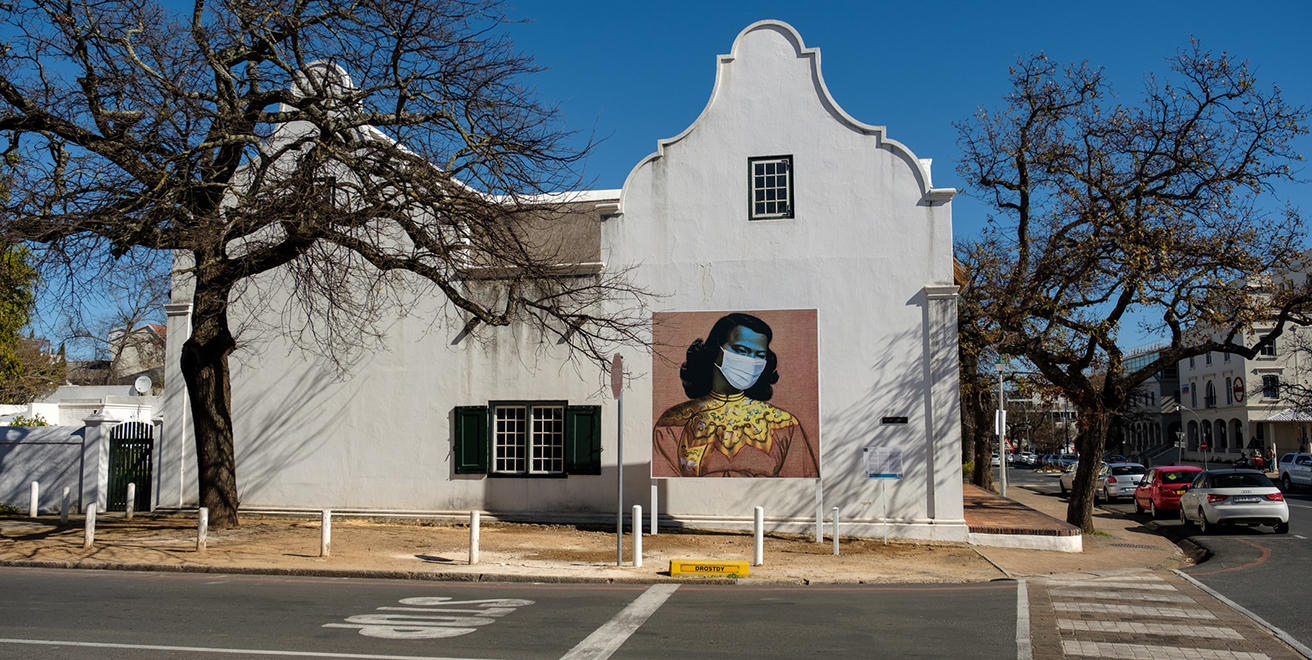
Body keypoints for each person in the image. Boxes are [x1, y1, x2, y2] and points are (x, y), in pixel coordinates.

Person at [652, 313, 818, 478]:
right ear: (716, 350)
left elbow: (802, 489)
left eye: (760, 355)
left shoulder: (785, 425)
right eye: (741, 351)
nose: (751, 361)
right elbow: (665, 489)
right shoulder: (672, 424)